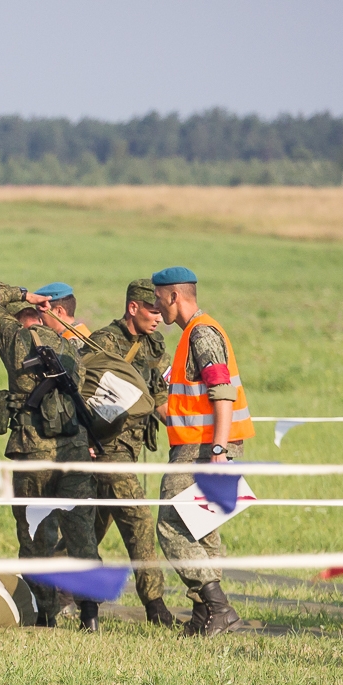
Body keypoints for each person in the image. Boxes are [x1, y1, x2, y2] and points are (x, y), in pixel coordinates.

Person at [0, 282, 102, 630]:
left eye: (21, 314)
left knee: (35, 534)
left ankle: (44, 615)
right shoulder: (72, 348)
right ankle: (90, 615)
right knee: (81, 533)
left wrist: (25, 294)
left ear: (32, 313)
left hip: (33, 452)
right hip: (72, 449)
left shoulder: (16, 339)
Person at [152, 266, 253, 637]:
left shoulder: (202, 334)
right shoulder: (191, 335)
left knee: (172, 526)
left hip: (202, 449)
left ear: (175, 296)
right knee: (201, 527)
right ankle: (204, 616)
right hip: (201, 444)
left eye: (158, 297)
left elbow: (221, 390)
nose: (155, 305)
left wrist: (218, 450)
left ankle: (217, 607)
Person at [87, 280, 174, 626]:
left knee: (91, 527)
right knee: (138, 519)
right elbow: (84, 391)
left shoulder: (154, 344)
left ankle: (61, 594)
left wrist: (192, 429)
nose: (158, 318)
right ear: (133, 307)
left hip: (131, 449)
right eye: (152, 310)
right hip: (106, 449)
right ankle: (155, 605)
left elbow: (160, 398)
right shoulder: (103, 341)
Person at [36, 282, 91, 352]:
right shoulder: (81, 332)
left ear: (59, 311)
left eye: (40, 311)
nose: (38, 316)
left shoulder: (73, 342)